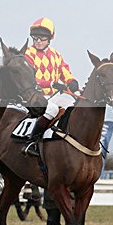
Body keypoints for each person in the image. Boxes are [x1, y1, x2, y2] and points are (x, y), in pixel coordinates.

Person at [21, 17, 79, 157]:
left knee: (73, 104)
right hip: (34, 96)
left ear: (50, 38)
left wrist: (71, 81)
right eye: (35, 38)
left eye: (42, 38)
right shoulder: (27, 54)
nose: (38, 41)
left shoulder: (56, 55)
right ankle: (32, 141)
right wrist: (51, 83)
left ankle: (64, 140)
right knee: (52, 109)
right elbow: (30, 79)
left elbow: (64, 71)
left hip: (53, 96)